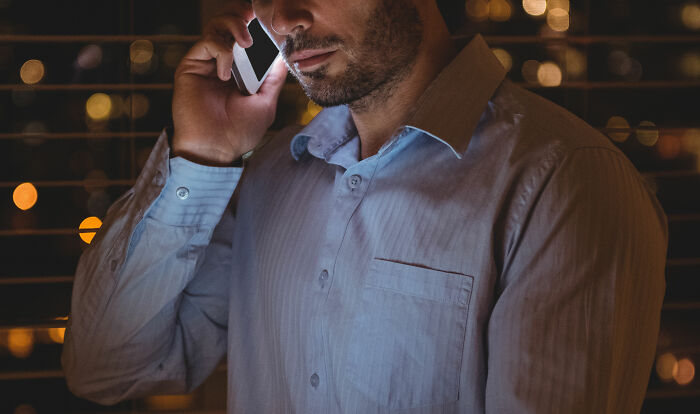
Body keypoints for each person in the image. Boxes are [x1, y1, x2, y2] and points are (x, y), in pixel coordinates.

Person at [61, 0, 669, 412]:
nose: (285, 18)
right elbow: (106, 369)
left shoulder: (565, 183)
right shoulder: (268, 179)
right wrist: (202, 156)